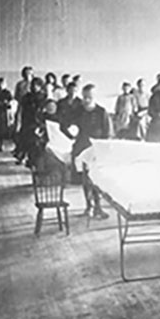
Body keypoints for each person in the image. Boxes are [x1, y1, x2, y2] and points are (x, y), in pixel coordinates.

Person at [63, 84, 113, 218]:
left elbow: (108, 134)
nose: (86, 100)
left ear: (94, 97)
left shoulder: (102, 112)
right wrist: (71, 132)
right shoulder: (78, 111)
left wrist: (104, 151)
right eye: (84, 97)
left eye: (89, 97)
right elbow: (66, 125)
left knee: (96, 180)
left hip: (96, 150)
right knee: (85, 179)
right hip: (81, 148)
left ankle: (98, 207)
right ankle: (88, 206)